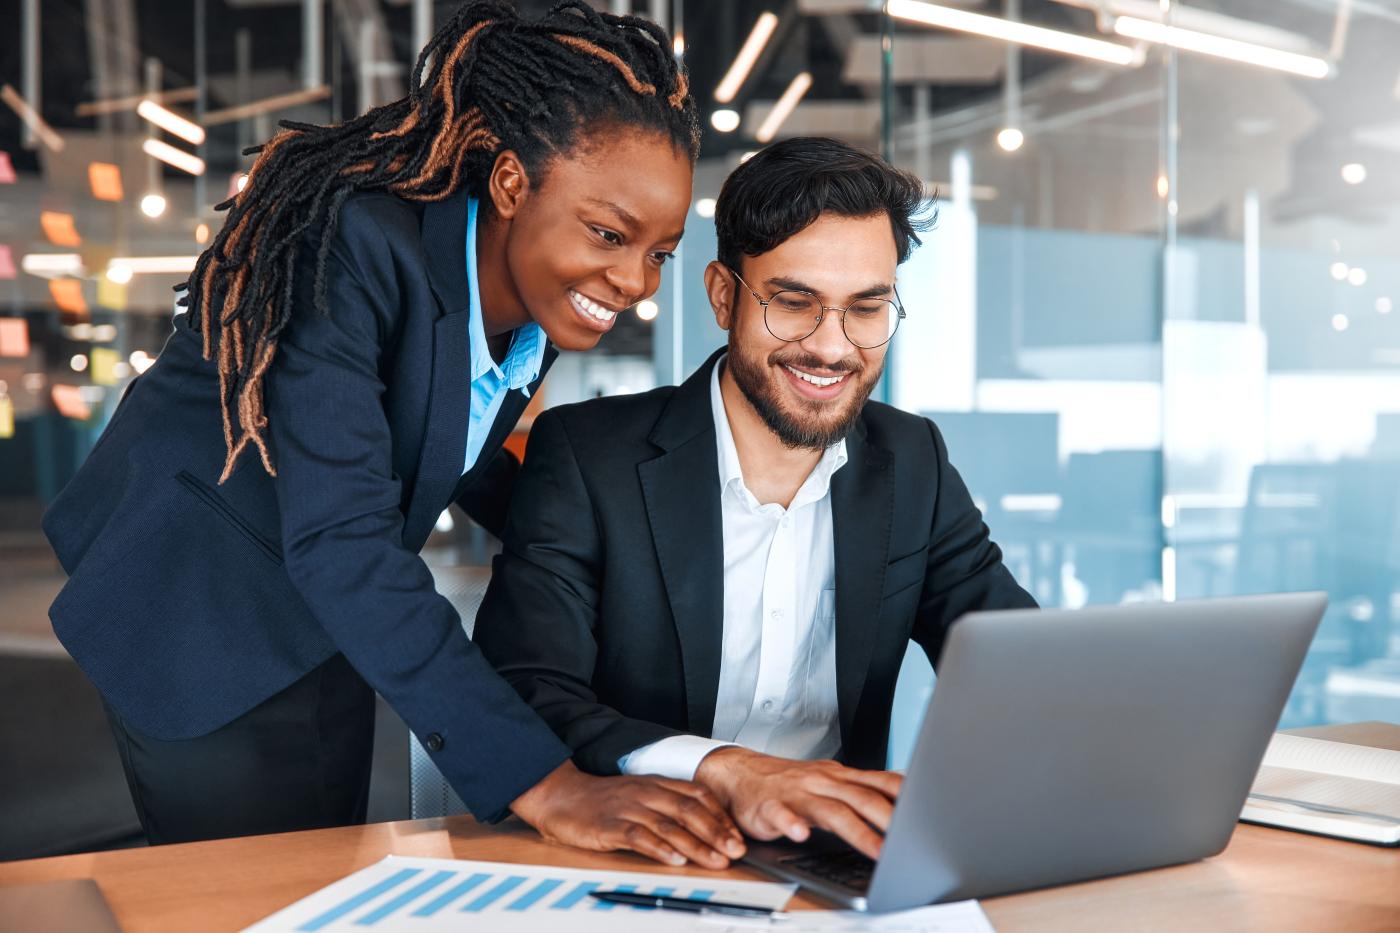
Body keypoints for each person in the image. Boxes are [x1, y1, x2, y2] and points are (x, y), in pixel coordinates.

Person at [42, 0, 746, 870]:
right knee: (251, 889)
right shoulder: (351, 246)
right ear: (515, 184)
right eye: (609, 234)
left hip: (322, 607)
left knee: (322, 862)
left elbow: (444, 448)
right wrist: (549, 784)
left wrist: (643, 536)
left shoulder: (533, 296)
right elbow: (344, 540)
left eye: (660, 253)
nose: (634, 280)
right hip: (198, 598)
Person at [473, 136, 1038, 861]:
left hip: (836, 868)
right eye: (794, 303)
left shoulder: (911, 462)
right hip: (638, 854)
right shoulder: (590, 455)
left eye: (865, 309)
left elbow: (1015, 661)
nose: (832, 347)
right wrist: (725, 768)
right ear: (722, 296)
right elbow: (525, 687)